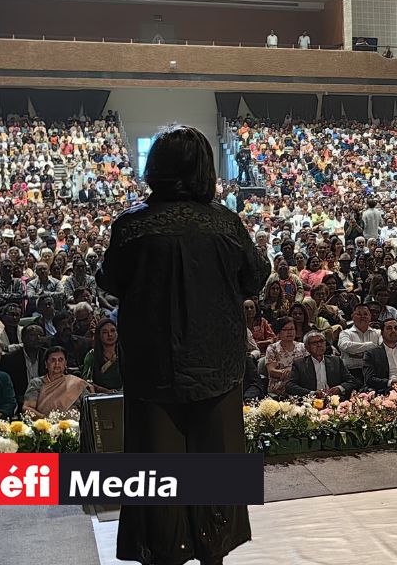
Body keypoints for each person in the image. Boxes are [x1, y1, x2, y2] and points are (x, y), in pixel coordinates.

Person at [97, 124, 268, 565]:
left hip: (153, 371)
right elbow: (255, 277)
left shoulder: (132, 225)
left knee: (158, 477)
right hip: (216, 368)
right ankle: (213, 554)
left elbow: (110, 281)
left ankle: (163, 553)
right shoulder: (225, 223)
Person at [22, 346, 90, 419]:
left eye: (60, 360)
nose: (57, 363)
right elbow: (27, 409)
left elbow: (90, 405)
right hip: (44, 424)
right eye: (53, 360)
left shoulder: (75, 383)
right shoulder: (37, 383)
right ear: (46, 364)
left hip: (75, 424)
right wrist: (46, 420)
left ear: (65, 363)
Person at [286, 331, 357, 397]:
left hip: (334, 399)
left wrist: (339, 388)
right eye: (314, 343)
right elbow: (290, 386)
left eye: (321, 341)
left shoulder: (336, 361)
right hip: (310, 401)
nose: (319, 345)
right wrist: (311, 393)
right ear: (307, 347)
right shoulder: (299, 364)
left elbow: (352, 381)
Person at [337, 303, 381, 385]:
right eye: (359, 314)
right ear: (352, 316)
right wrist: (371, 345)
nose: (362, 316)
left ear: (370, 317)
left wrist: (356, 353)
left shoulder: (378, 333)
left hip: (374, 372)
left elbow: (380, 350)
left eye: (365, 314)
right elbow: (345, 346)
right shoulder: (345, 333)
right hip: (351, 373)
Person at [264, 317, 307, 396]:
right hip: (279, 386)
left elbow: (307, 369)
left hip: (300, 385)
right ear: (279, 332)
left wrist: (290, 371)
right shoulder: (272, 348)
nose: (289, 332)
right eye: (285, 329)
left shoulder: (303, 347)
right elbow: (272, 371)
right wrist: (294, 373)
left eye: (292, 329)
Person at [81, 319, 123, 393]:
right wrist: (107, 391)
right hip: (100, 396)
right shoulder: (92, 355)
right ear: (99, 335)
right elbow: (86, 382)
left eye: (113, 331)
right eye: (105, 332)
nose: (110, 334)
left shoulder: (123, 353)